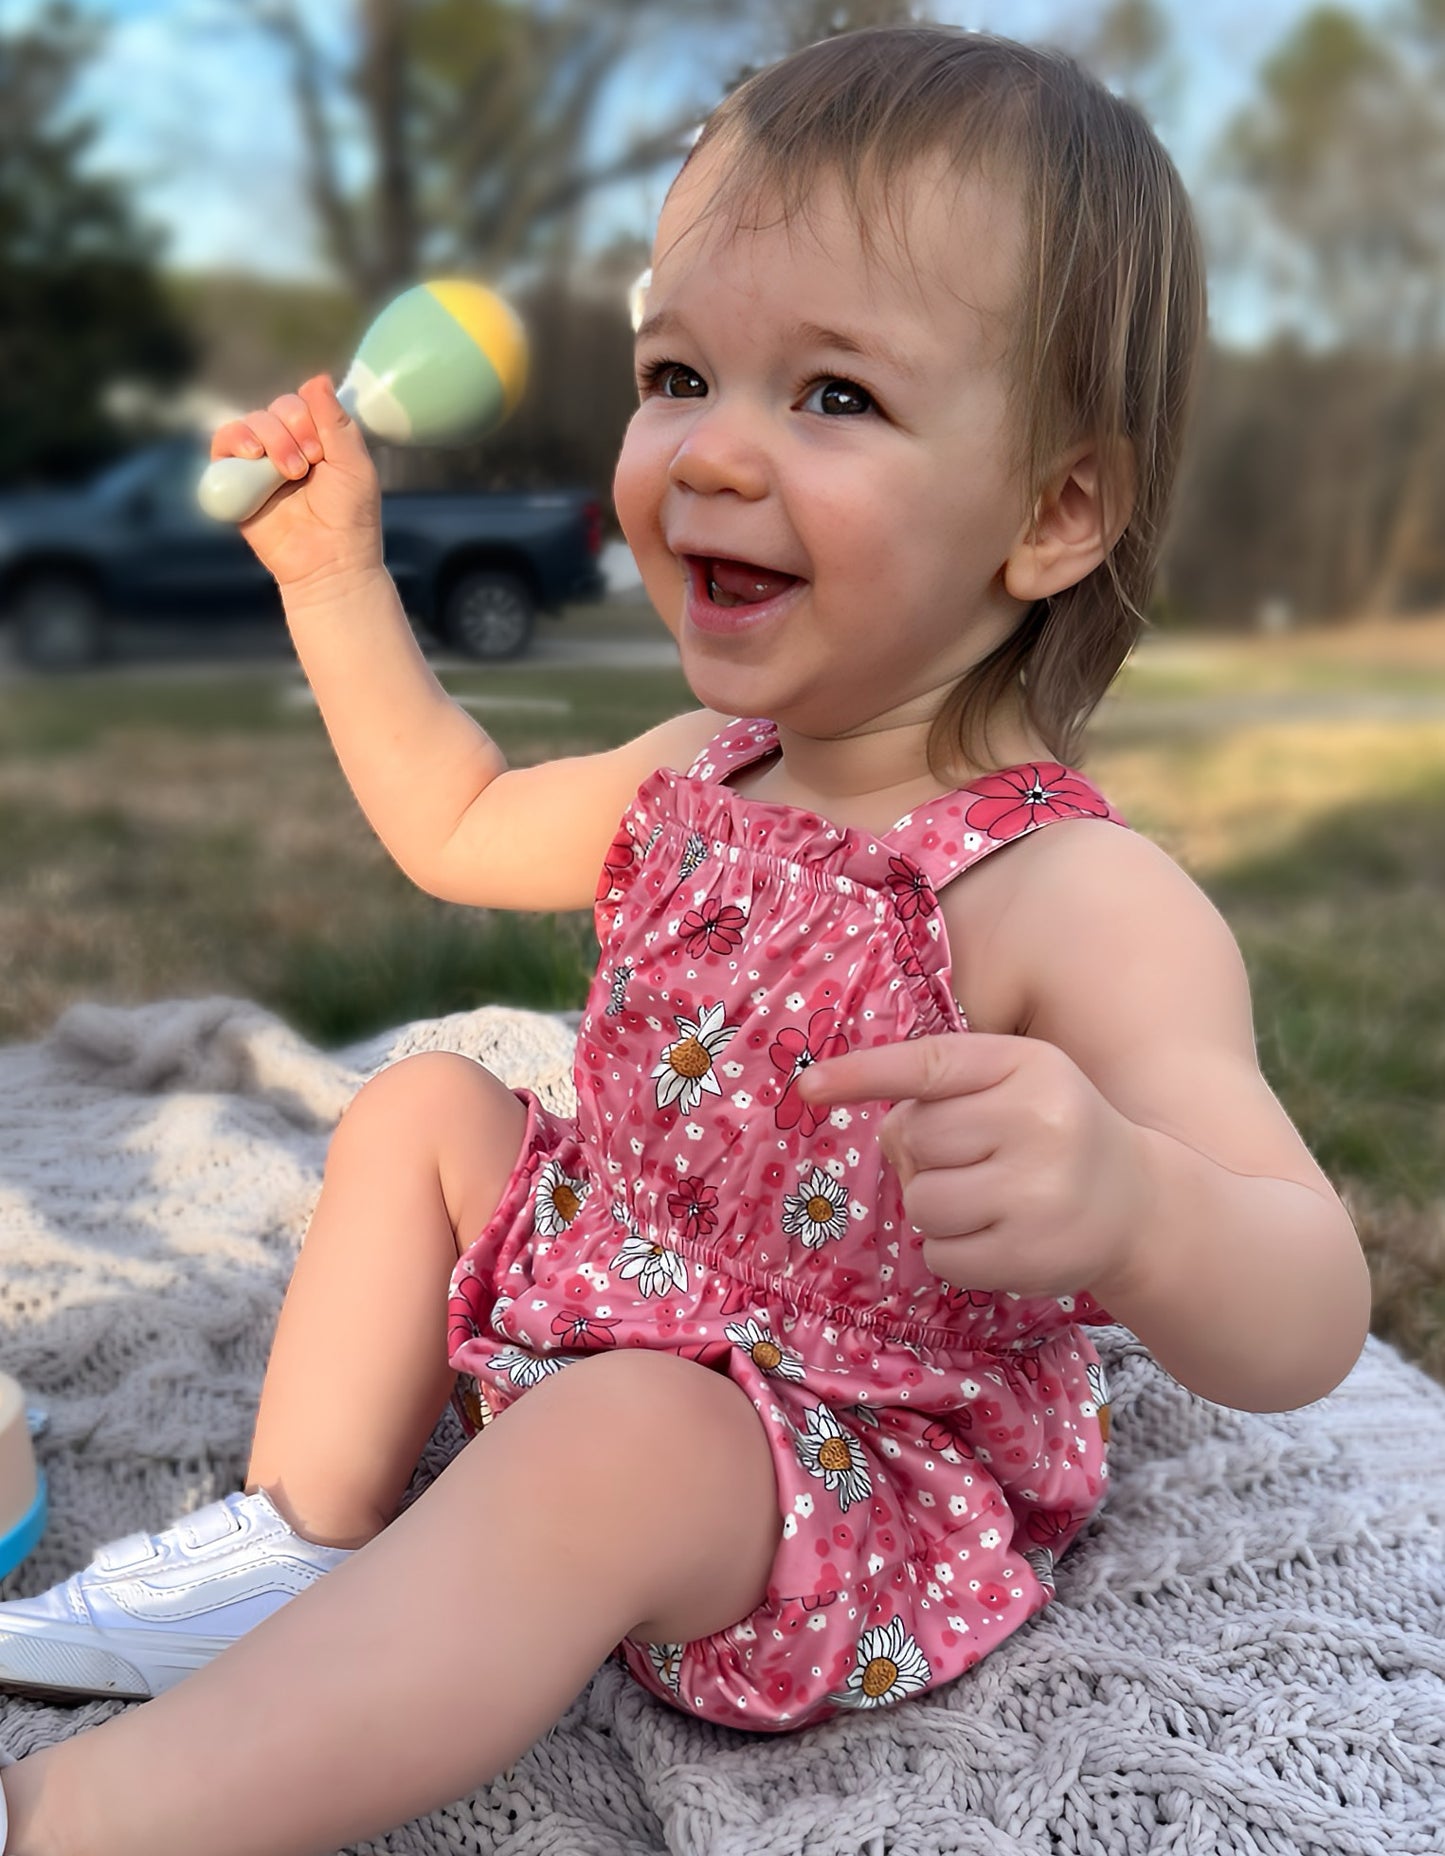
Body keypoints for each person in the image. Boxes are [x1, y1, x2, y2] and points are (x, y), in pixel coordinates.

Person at [0, 24, 1370, 1856]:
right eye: (678, 372)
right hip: (615, 1286)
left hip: (828, 1462)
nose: (712, 453)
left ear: (1052, 510)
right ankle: (300, 1541)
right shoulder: (699, 768)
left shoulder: (1066, 897)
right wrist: (333, 574)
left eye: (832, 399)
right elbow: (457, 820)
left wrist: (1130, 1199)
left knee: (619, 1439)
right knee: (420, 1104)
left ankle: (90, 1820)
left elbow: (1310, 1306)